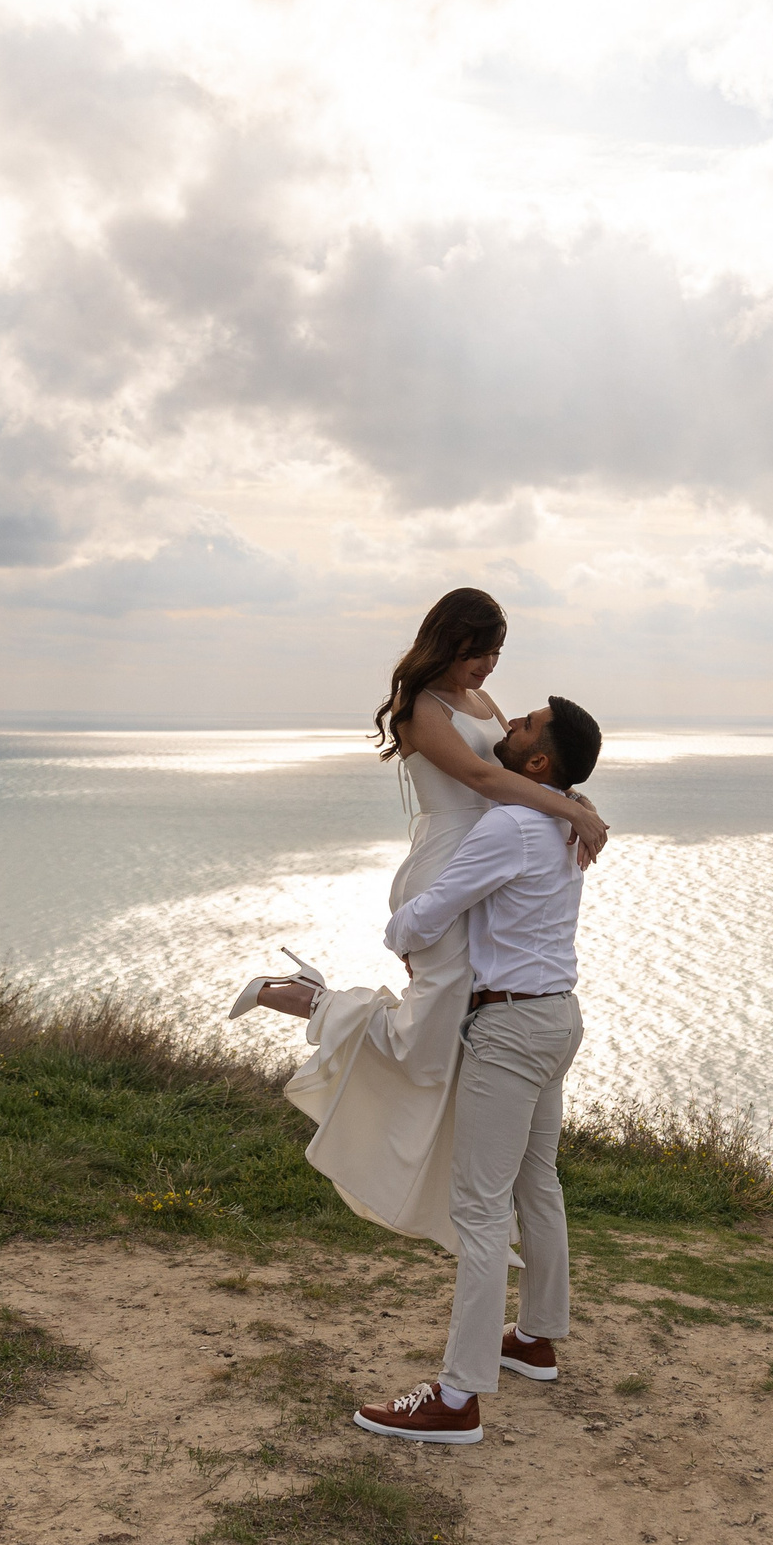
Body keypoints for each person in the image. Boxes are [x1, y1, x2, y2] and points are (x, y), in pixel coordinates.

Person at [228, 588, 605, 1255]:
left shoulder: (482, 704)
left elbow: (520, 770)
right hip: (444, 868)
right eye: (481, 652)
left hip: (490, 867)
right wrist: (569, 811)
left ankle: (469, 1181)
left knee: (457, 1042)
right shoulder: (419, 709)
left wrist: (569, 794)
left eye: (497, 655)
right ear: (454, 641)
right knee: (423, 1047)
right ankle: (306, 999)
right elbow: (485, 783)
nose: (490, 668)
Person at [348, 697, 601, 1442]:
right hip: (557, 1016)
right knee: (537, 1179)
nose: (506, 726)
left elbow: (436, 907)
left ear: (537, 762)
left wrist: (398, 931)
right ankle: (536, 1336)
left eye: (521, 726)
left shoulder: (514, 824)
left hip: (512, 1026)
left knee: (480, 1207)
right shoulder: (558, 815)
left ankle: (457, 1397)